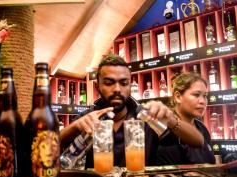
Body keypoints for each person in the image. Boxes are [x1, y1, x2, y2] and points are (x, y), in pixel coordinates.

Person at [60, 53, 204, 168]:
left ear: (130, 86)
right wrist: (75, 126)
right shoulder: (88, 117)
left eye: (124, 83)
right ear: (98, 87)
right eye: (109, 83)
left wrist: (170, 118)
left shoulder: (145, 116)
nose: (117, 89)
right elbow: (46, 150)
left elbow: (198, 141)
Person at [157, 73, 216, 165]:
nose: (202, 101)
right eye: (196, 95)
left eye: (205, 96)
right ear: (178, 97)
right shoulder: (163, 128)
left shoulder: (202, 128)